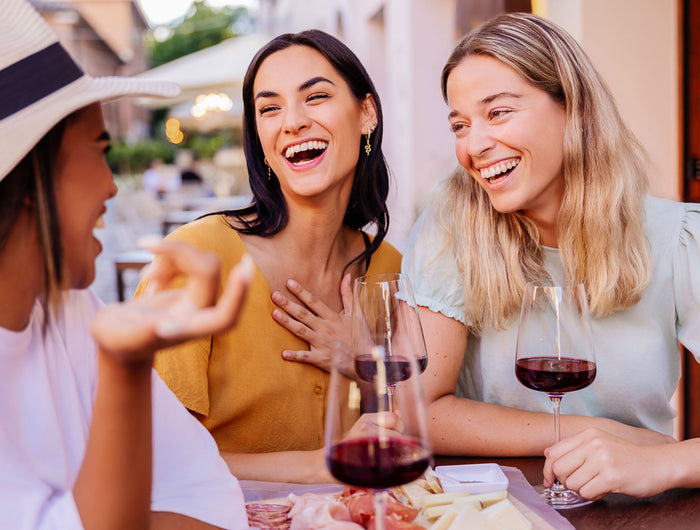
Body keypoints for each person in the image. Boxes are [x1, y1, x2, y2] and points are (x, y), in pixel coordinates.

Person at [0, 0, 253, 527]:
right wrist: (125, 363)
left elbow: (204, 492)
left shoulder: (68, 306)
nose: (112, 184)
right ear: (35, 177)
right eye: (101, 150)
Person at [403, 11, 691, 462]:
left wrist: (662, 463)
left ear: (572, 109)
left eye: (497, 112)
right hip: (497, 506)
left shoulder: (678, 239)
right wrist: (599, 434)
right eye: (460, 125)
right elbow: (417, 413)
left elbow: (658, 462)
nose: (473, 147)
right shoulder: (453, 224)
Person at [136, 30, 401, 483]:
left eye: (315, 96)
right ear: (260, 138)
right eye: (270, 108)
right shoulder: (200, 259)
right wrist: (319, 464)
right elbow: (154, 464)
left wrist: (363, 365)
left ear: (366, 114)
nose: (292, 122)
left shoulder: (387, 267)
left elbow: (390, 433)